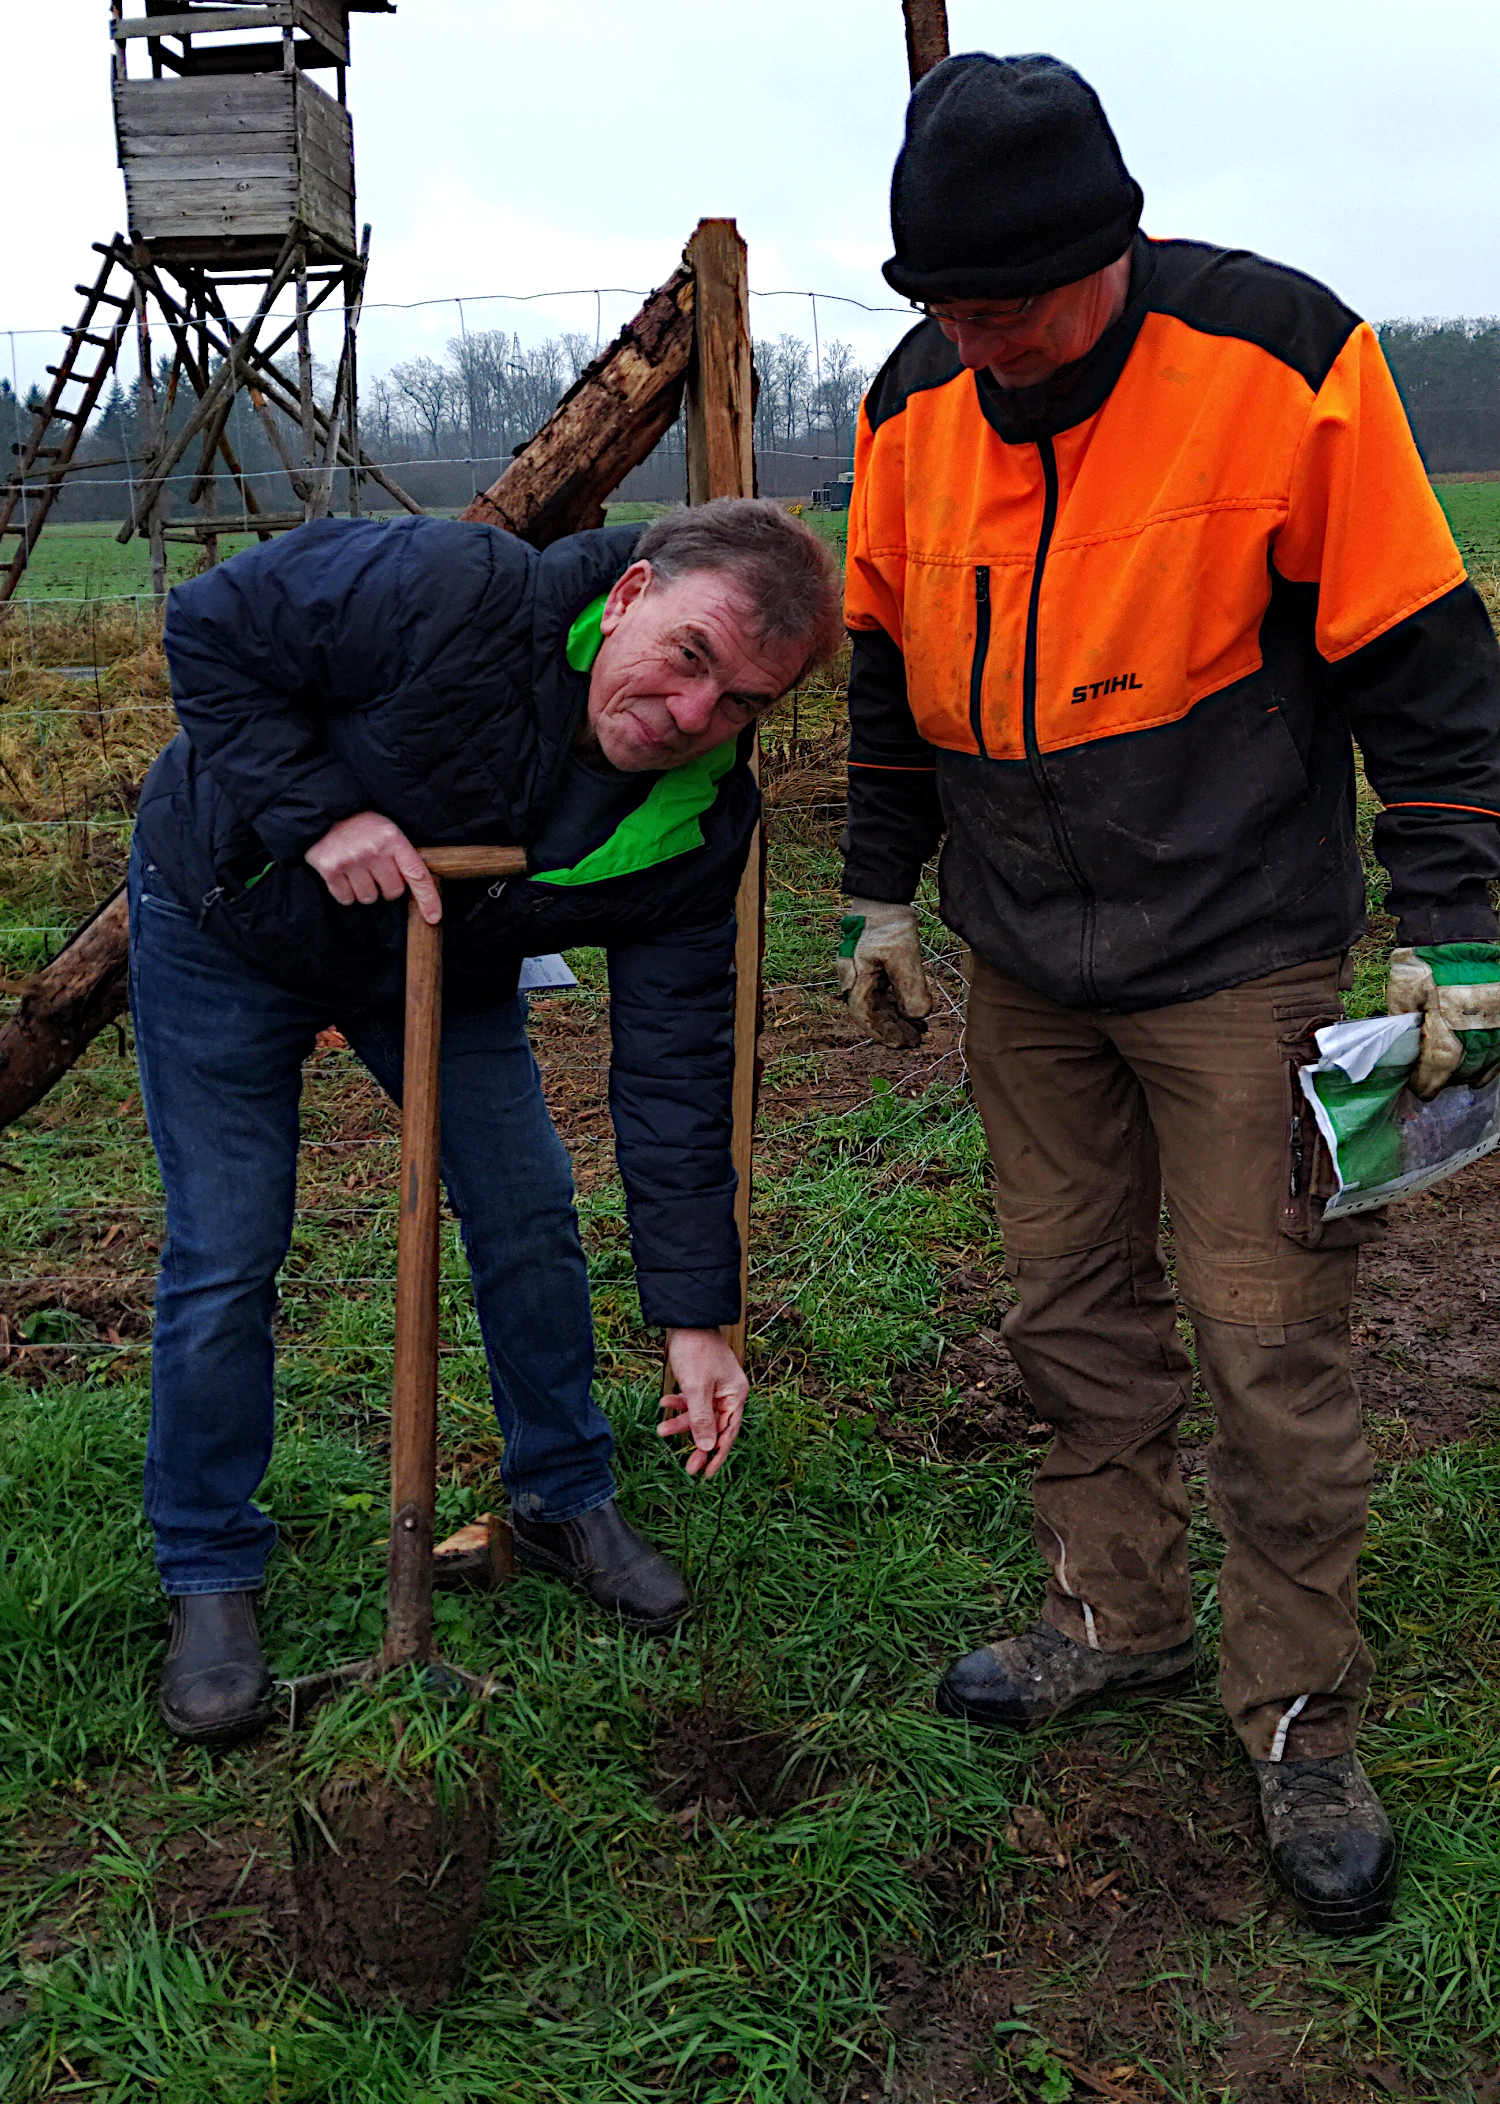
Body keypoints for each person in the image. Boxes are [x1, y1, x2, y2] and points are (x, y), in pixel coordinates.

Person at [835, 53, 1500, 1935]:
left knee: (1267, 1334)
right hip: (1022, 953)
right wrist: (883, 894)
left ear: (1111, 251)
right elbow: (886, 663)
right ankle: (1110, 1611)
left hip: (1240, 950)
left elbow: (1430, 665)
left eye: (1015, 306)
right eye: (948, 310)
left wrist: (1453, 926)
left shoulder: (1284, 361)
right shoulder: (914, 398)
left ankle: (1298, 1707)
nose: (987, 344)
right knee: (1065, 1302)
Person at [131, 497, 841, 1747]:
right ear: (628, 596)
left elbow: (675, 1070)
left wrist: (695, 1315)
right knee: (229, 1244)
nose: (693, 719)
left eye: (742, 704)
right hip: (230, 913)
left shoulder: (694, 824)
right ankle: (207, 1569)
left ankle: (565, 1494)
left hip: (437, 950)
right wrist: (316, 816)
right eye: (688, 659)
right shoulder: (451, 588)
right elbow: (212, 625)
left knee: (524, 1207)